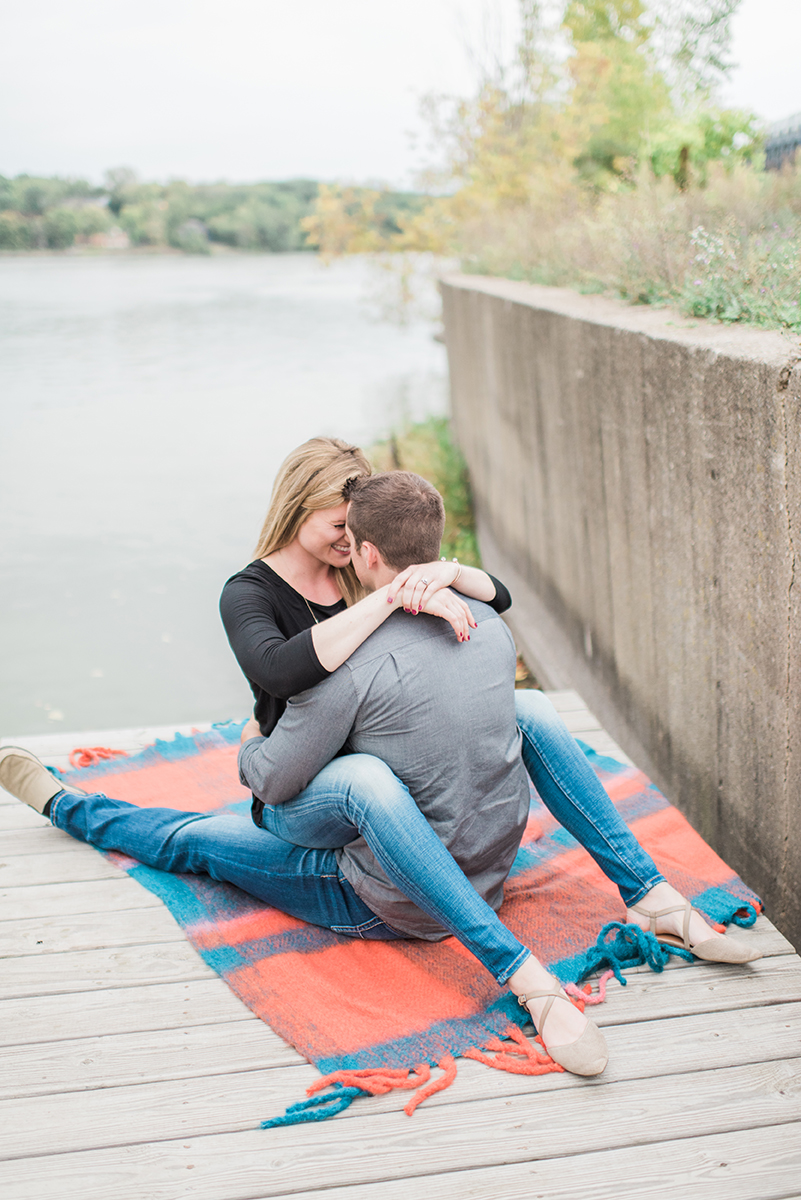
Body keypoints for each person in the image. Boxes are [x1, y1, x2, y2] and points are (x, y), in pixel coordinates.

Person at [0, 468, 760, 1081]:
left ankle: (68, 803)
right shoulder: (484, 625)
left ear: (364, 554)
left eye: (348, 537)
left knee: (217, 833)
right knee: (524, 718)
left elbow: (269, 783)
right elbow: (479, 598)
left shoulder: (349, 668)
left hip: (379, 896)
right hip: (486, 867)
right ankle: (653, 896)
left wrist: (248, 743)